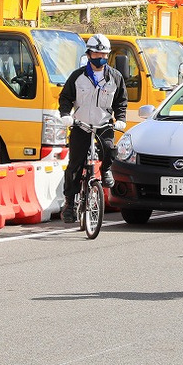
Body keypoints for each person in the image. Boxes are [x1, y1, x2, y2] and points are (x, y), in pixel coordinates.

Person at [58, 33, 127, 224]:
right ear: (89, 55)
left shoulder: (115, 77)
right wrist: (65, 114)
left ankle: (105, 170)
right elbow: (65, 98)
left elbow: (121, 101)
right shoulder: (77, 76)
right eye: (96, 54)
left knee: (110, 150)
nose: (100, 58)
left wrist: (120, 118)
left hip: (103, 125)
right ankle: (70, 204)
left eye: (104, 54)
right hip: (81, 125)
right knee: (74, 166)